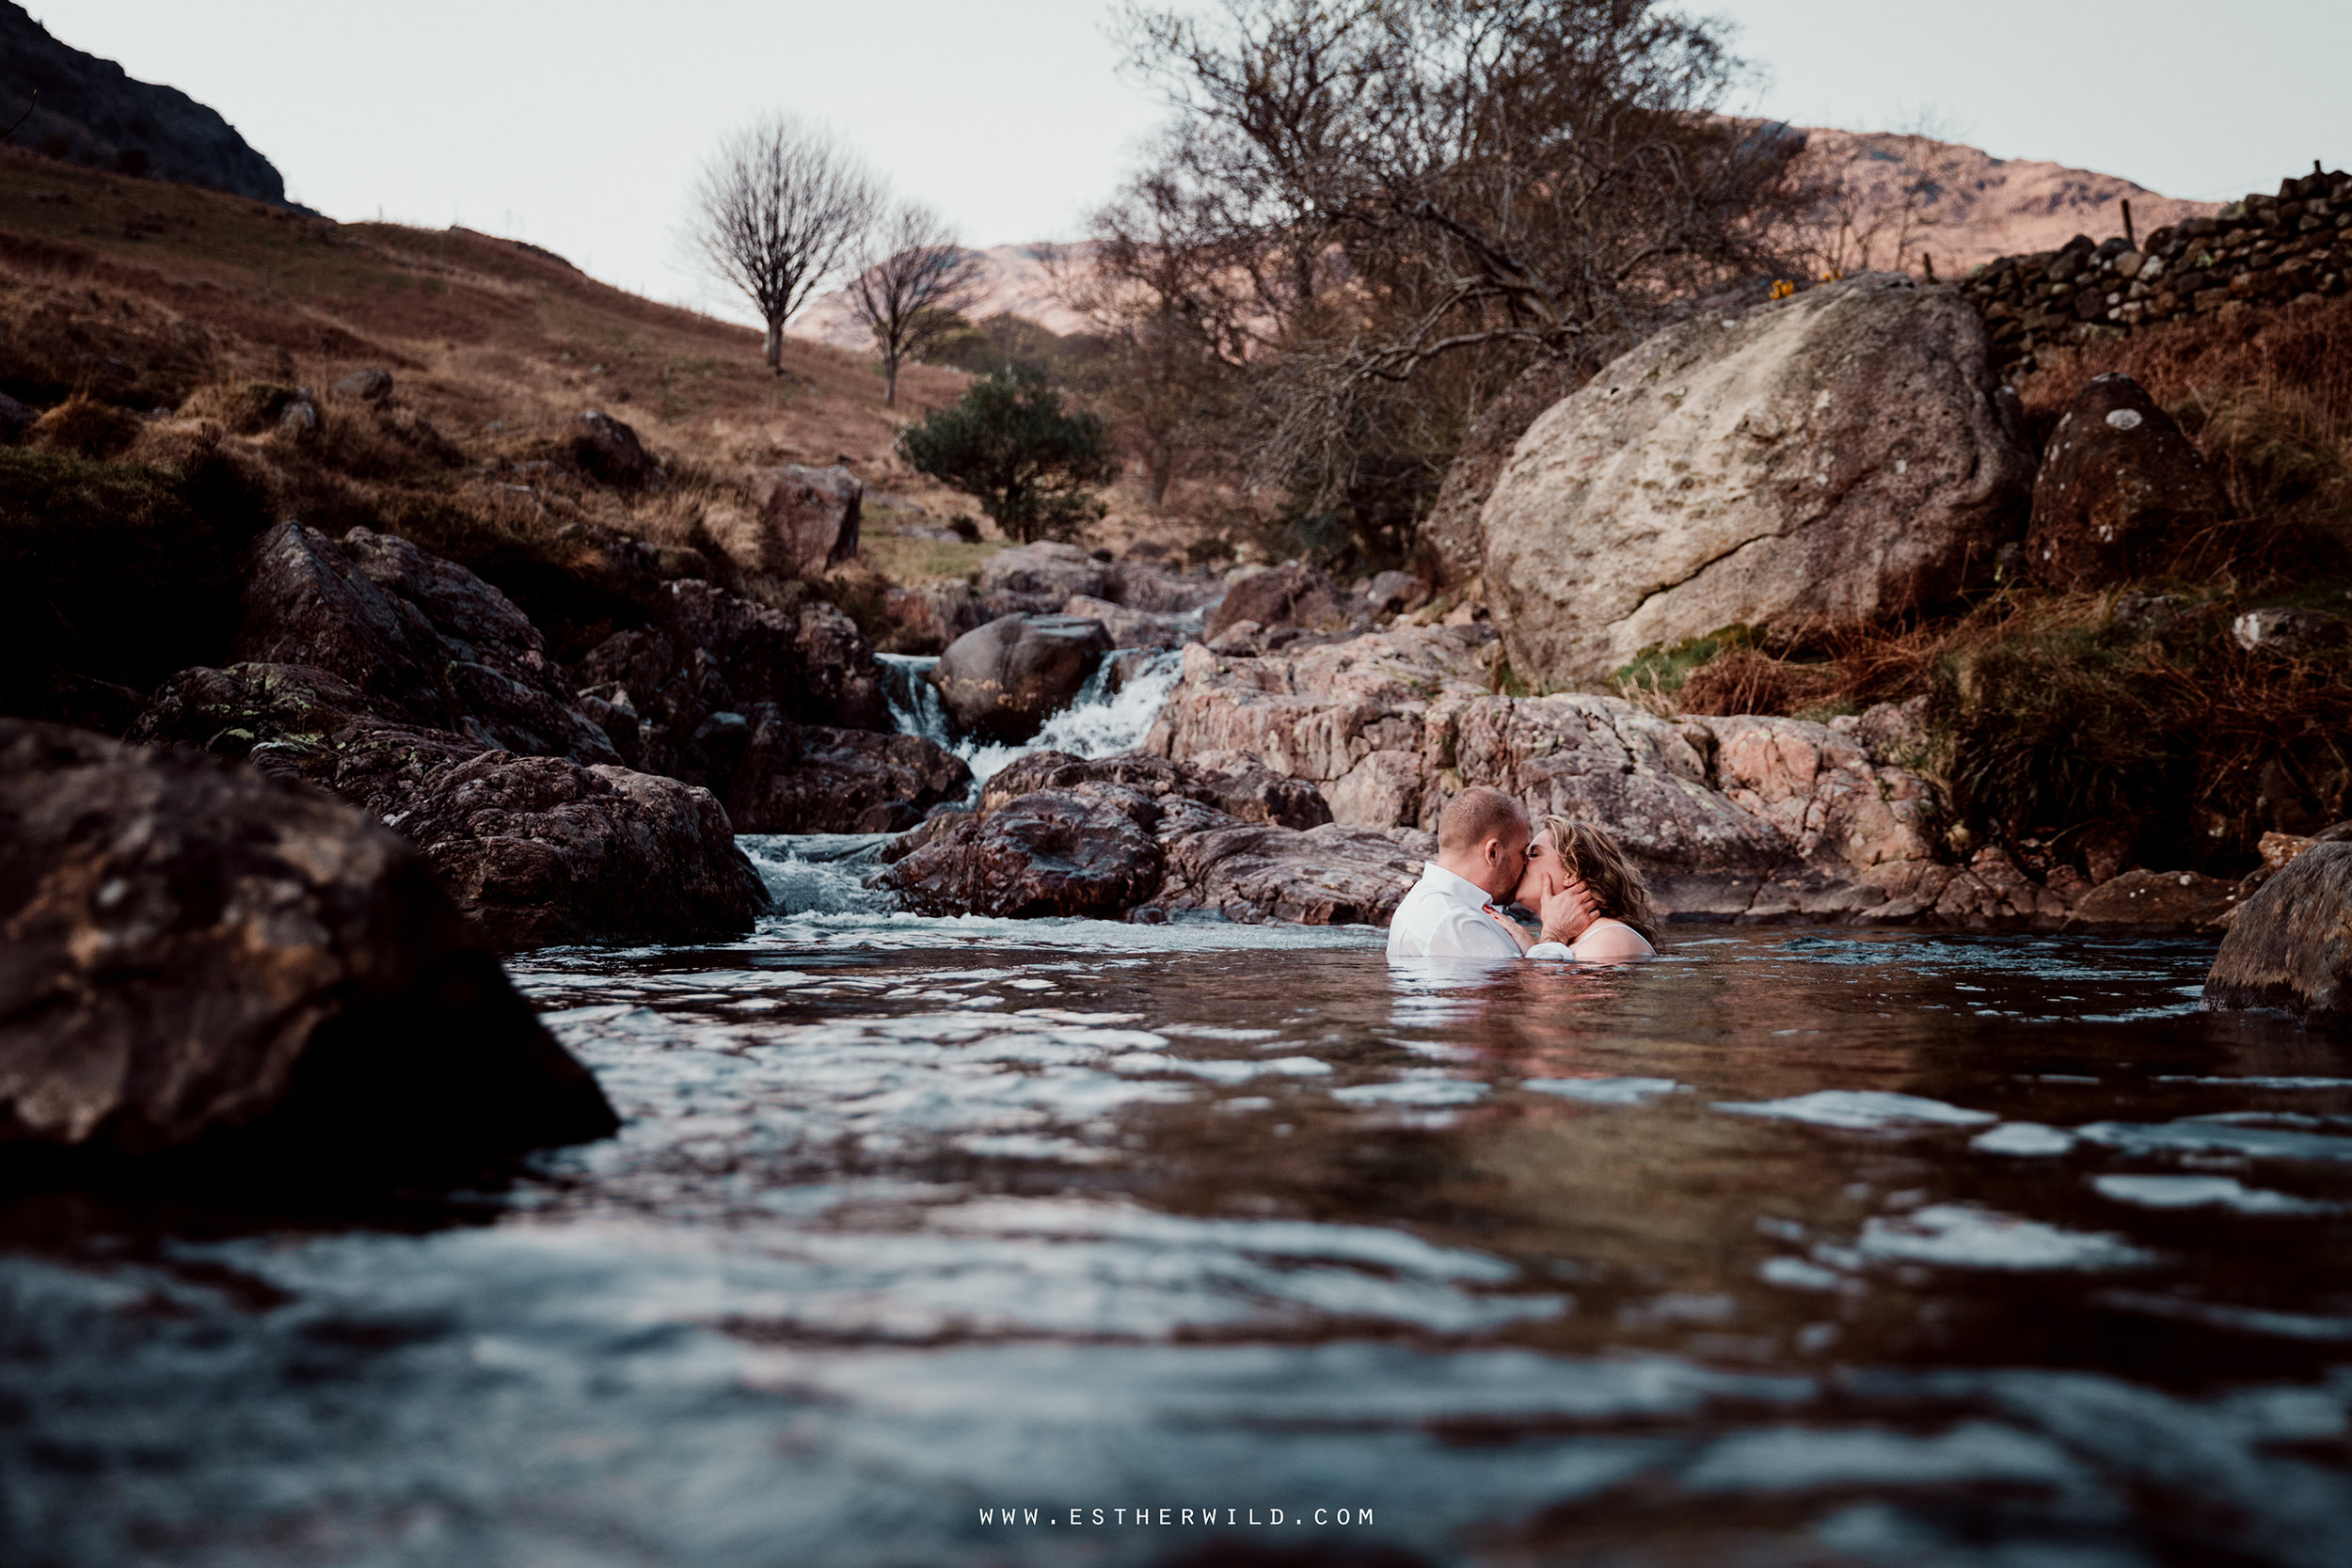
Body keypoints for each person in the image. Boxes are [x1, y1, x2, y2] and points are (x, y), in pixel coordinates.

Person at [1387, 787, 1597, 960]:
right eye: (1522, 852)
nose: (1525, 863)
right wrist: (1554, 936)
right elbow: (1526, 998)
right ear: (1493, 853)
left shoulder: (1450, 908)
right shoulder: (1453, 920)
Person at [1502, 816, 1660, 960]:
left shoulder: (1608, 939)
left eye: (1535, 854)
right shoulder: (1585, 940)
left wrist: (1552, 937)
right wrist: (1535, 948)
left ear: (1573, 872)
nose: (1522, 862)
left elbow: (1545, 990)